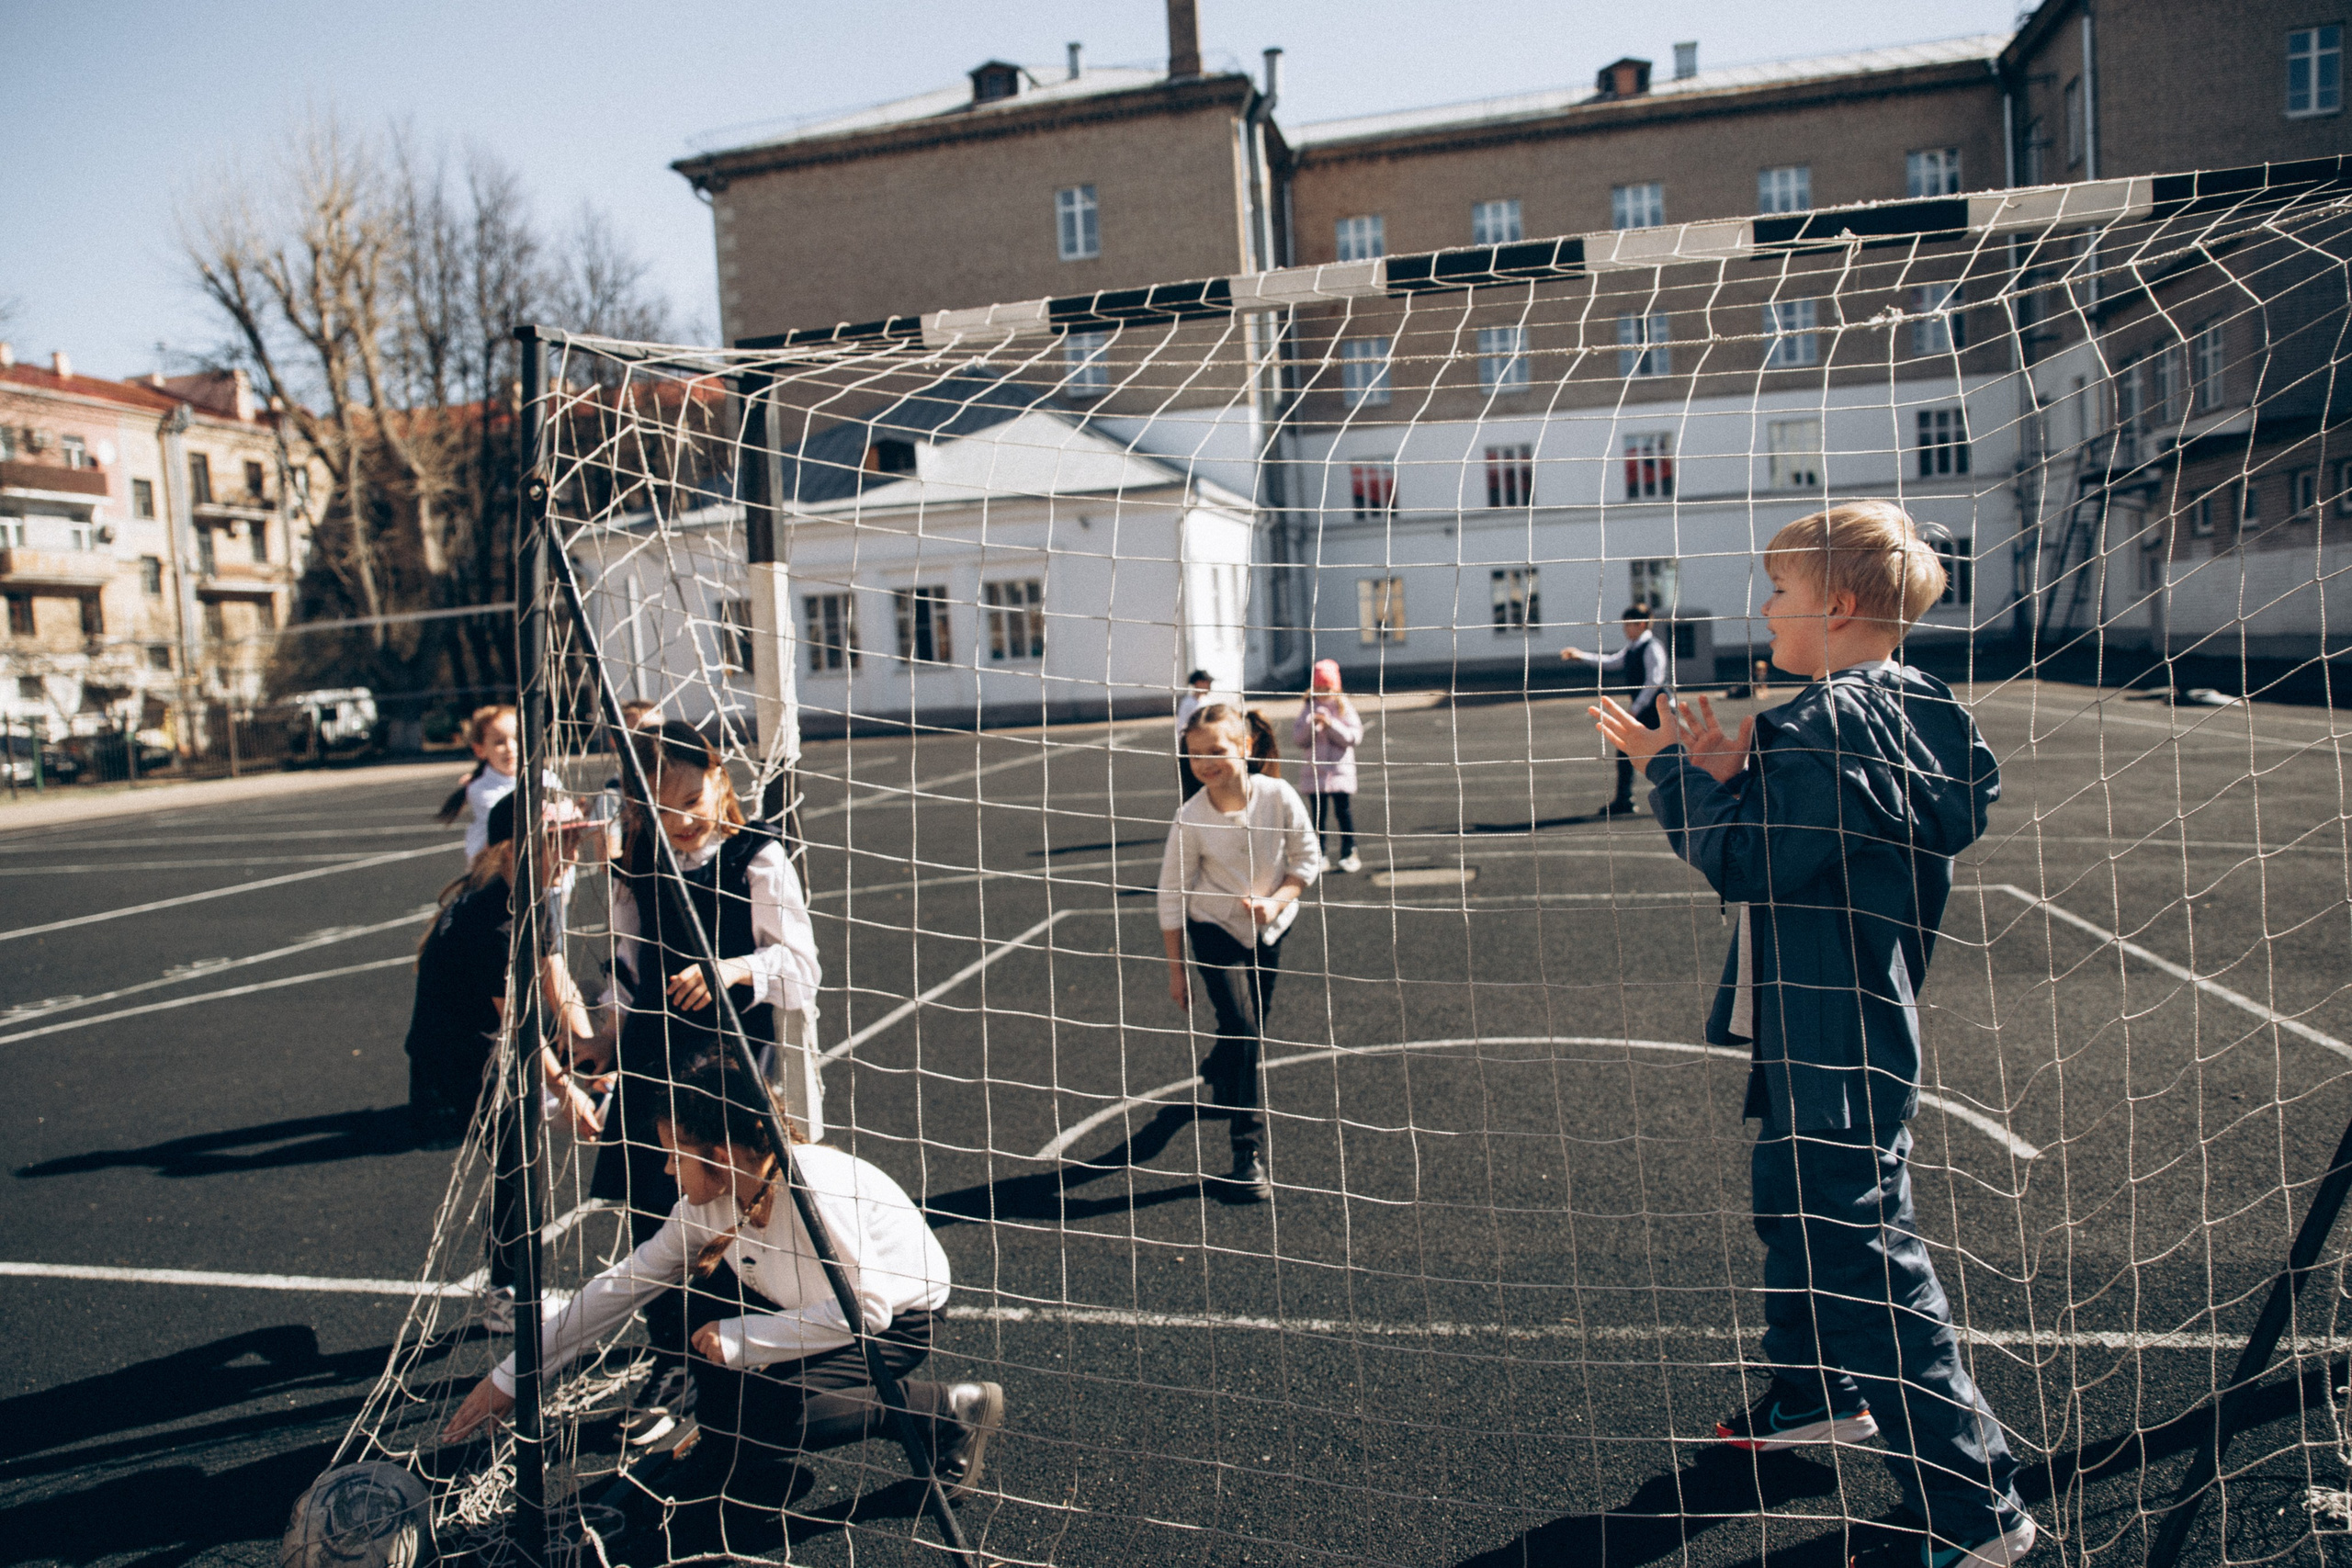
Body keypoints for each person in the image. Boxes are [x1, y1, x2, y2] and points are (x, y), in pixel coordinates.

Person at [1589, 502, 2028, 1568]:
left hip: (1834, 1027)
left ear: (1835, 606)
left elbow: (1746, 860)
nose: (1766, 610)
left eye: (1780, 592)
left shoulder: (1826, 720)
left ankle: (1977, 1511)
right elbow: (1823, 835)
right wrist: (1737, 773)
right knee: (1792, 1202)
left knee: (1865, 1253)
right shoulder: (1910, 707)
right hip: (1829, 1019)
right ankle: (1809, 1396)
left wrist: (1676, 773)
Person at [439, 1050, 1004, 1511]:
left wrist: (742, 1338)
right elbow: (621, 1287)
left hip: (895, 1320)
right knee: (706, 1361)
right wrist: (514, 1378)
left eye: (674, 1155)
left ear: (721, 1154)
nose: (666, 1170)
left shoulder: (816, 1189)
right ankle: (742, 1443)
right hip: (799, 1305)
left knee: (767, 1418)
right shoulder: (705, 1205)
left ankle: (943, 1412)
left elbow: (868, 1311)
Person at [598, 719, 823, 1440]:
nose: (682, 820)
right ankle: (669, 1358)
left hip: (726, 1067)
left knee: (729, 1214)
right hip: (649, 1062)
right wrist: (599, 1037)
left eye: (692, 798)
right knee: (652, 1210)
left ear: (719, 779)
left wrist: (734, 971)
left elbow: (802, 969)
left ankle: (739, 1360)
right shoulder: (638, 860)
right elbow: (628, 969)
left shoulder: (757, 856)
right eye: (662, 809)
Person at [401, 791, 610, 1331]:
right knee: (519, 1160)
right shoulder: (492, 913)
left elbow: (556, 979)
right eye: (557, 839)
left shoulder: (536, 895)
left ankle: (509, 1285)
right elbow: (516, 1024)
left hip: (491, 1039)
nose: (572, 849)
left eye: (574, 836)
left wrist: (592, 1056)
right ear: (508, 847)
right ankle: (507, 1294)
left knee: (525, 1148)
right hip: (457, 1056)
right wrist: (567, 1089)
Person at [1158, 703, 1322, 1201]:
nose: (1205, 763)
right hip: (1213, 929)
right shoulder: (1191, 817)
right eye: (1194, 756)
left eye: (1216, 751)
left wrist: (1276, 903)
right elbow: (1170, 893)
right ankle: (1246, 1154)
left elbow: (1308, 859)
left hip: (1269, 927)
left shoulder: (1277, 796)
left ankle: (1219, 1062)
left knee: (1249, 1027)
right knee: (1246, 1027)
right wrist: (1176, 970)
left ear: (1246, 747)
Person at [1561, 605, 1669, 817]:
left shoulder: (1651, 647)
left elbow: (1654, 681)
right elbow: (1612, 662)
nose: (1625, 629)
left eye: (1629, 624)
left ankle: (1680, 798)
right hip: (1645, 708)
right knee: (1627, 750)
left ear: (1642, 624)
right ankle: (1624, 799)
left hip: (1657, 709)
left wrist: (1636, 708)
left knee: (1666, 754)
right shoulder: (1633, 647)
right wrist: (1581, 656)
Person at [1291, 660, 1364, 874]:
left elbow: (1353, 737)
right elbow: (1299, 739)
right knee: (1318, 816)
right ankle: (1319, 854)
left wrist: (1332, 724)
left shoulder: (1344, 708)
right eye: (1319, 689)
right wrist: (1312, 726)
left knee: (1343, 813)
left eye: (1327, 689)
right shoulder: (1308, 708)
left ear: (1336, 688)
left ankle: (1349, 851)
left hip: (1340, 773)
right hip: (1315, 773)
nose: (1323, 693)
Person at [437, 705, 520, 860]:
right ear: (480, 750)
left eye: (516, 738)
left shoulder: (547, 777)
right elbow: (508, 817)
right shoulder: (480, 790)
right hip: (494, 871)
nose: (510, 747)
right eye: (499, 742)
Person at [1173, 670, 1216, 800]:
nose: (1209, 686)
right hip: (1191, 750)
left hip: (1207, 748)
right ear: (1198, 683)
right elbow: (1181, 727)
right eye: (1206, 683)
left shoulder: (1208, 701)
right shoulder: (1188, 703)